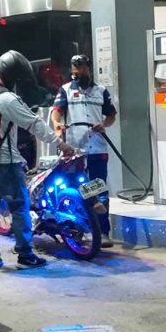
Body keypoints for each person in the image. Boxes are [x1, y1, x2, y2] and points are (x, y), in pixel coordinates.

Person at [0, 50, 75, 270]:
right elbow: (34, 123)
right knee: (19, 205)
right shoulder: (7, 99)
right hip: (5, 161)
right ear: (13, 76)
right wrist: (61, 144)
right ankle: (25, 255)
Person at [51, 54, 117, 248]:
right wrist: (57, 125)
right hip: (75, 150)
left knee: (99, 189)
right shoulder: (65, 91)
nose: (78, 72)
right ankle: (76, 230)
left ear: (89, 68)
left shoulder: (101, 91)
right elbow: (56, 112)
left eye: (81, 68)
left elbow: (112, 115)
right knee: (75, 189)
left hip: (97, 147)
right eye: (74, 68)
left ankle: (103, 232)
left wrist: (104, 124)